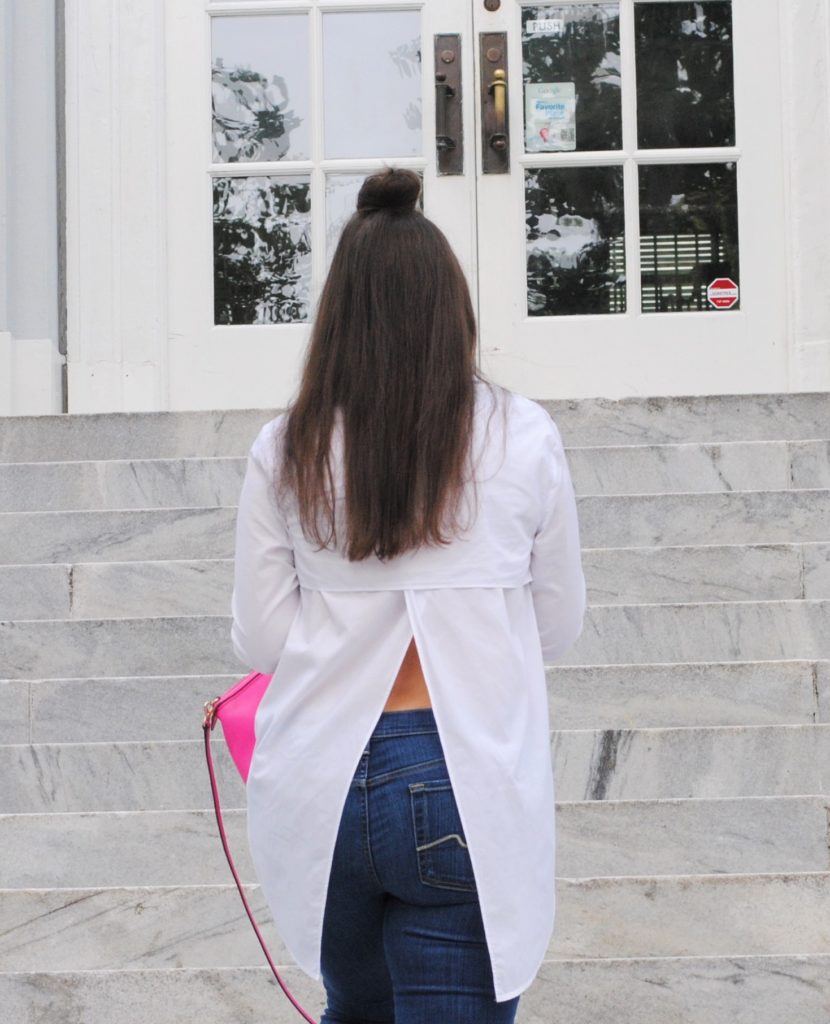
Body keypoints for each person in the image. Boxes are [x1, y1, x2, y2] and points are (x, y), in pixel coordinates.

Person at [231, 165, 587, 1023]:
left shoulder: (289, 448)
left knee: (354, 1006)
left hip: (321, 785)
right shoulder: (522, 436)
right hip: (460, 780)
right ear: (449, 309)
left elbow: (263, 640)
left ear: (339, 318)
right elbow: (557, 623)